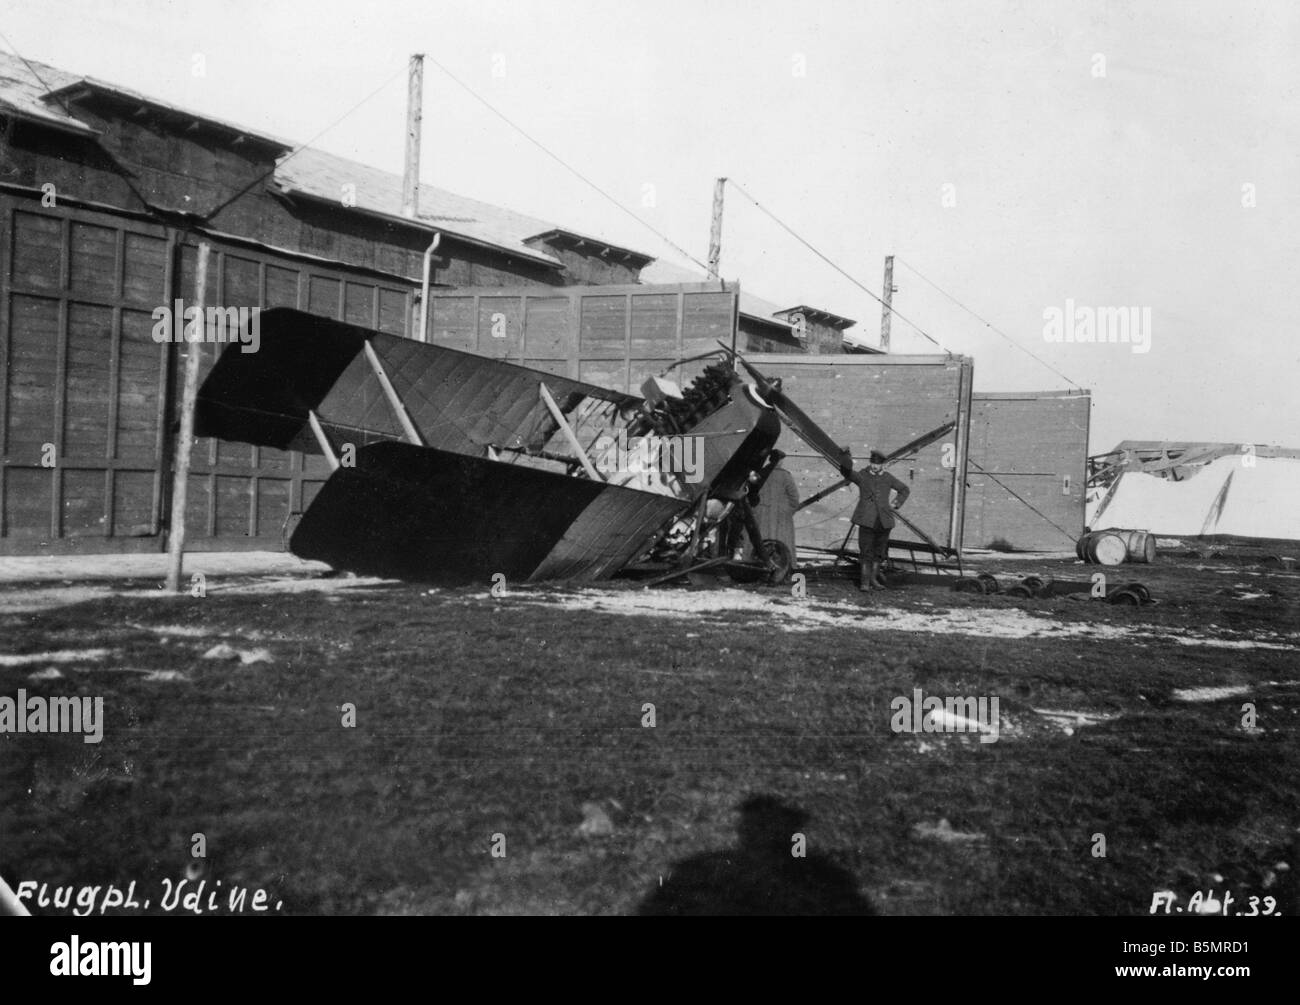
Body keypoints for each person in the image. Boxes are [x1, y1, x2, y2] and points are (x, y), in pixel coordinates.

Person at [839, 447, 909, 592]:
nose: (874, 466)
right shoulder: (862, 476)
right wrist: (846, 457)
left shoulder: (888, 478)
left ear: (883, 464)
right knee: (865, 552)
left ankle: (873, 579)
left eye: (877, 464)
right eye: (872, 462)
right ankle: (865, 582)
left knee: (879, 553)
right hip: (866, 520)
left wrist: (896, 503)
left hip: (884, 522)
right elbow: (847, 472)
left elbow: (904, 489)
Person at [746, 451, 800, 575]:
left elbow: (750, 494)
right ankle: (784, 566)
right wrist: (788, 511)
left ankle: (754, 562)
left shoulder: (760, 474)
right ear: (780, 461)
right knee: (782, 541)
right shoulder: (786, 476)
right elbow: (794, 498)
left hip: (761, 512)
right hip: (781, 514)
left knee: (759, 538)